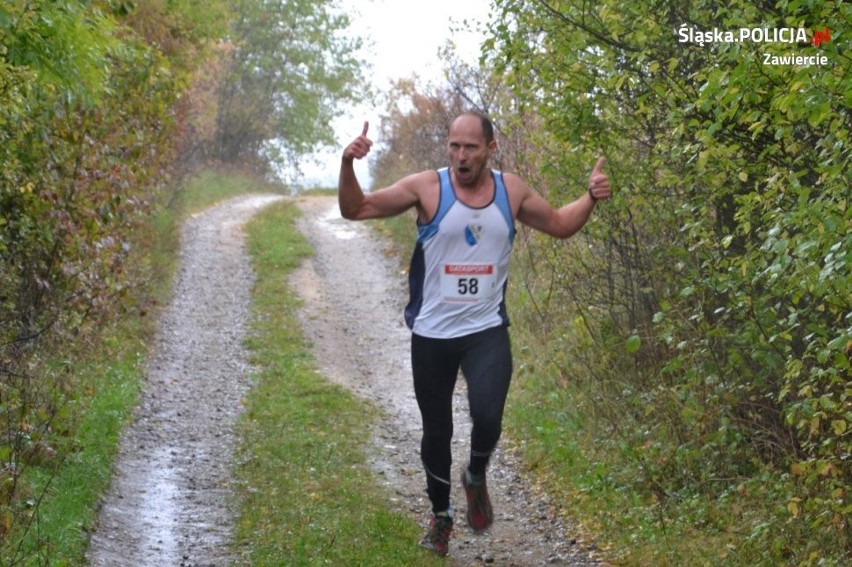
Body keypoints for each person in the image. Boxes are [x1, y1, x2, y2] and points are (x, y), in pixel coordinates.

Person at [338, 111, 611, 556]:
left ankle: (477, 474)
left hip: (485, 329)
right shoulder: (427, 187)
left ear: (490, 148)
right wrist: (348, 164)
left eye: (470, 148)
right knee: (437, 431)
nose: (461, 156)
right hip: (432, 334)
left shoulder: (511, 190)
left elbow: (561, 224)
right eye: (454, 146)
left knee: (488, 416)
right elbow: (356, 208)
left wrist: (590, 197)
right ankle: (441, 516)